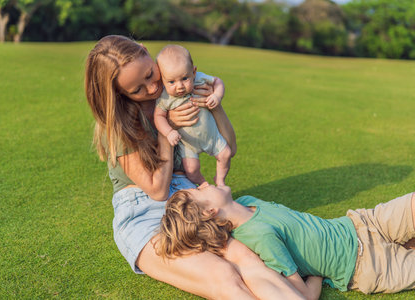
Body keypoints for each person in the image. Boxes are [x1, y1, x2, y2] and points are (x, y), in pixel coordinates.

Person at [85, 35, 304, 300]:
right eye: (137, 89)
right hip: (142, 212)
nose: (152, 88)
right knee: (223, 275)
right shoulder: (119, 125)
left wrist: (216, 105)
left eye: (149, 74)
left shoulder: (178, 84)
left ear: (146, 52)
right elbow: (156, 190)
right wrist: (168, 131)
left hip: (189, 196)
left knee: (247, 258)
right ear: (120, 93)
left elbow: (229, 148)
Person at [159, 183, 415, 298]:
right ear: (210, 211)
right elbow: (301, 294)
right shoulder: (260, 238)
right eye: (199, 190)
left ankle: (412, 240)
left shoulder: (247, 202)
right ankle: (409, 246)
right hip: (368, 266)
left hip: (364, 223)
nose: (204, 184)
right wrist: (318, 272)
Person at [154, 44, 231, 186]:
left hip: (211, 136)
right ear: (163, 81)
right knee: (191, 169)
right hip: (188, 143)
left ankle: (220, 180)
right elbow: (158, 116)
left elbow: (217, 81)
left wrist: (217, 96)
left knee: (225, 154)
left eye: (184, 78)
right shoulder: (165, 97)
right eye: (171, 82)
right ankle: (203, 184)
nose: (179, 86)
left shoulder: (200, 79)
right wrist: (169, 132)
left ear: (194, 72)